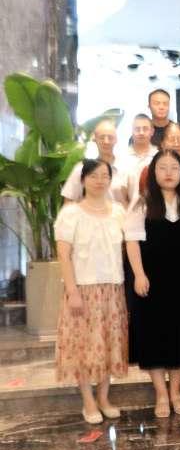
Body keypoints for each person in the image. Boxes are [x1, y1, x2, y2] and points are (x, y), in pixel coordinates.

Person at [125, 150, 180, 418]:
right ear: (153, 173)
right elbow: (131, 241)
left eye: (174, 168)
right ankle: (161, 394)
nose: (168, 173)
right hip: (151, 280)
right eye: (162, 168)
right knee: (153, 336)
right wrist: (139, 274)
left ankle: (176, 391)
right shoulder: (143, 203)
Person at [54, 159, 128, 424]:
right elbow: (64, 255)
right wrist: (72, 291)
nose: (99, 181)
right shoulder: (71, 213)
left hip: (113, 289)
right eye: (94, 176)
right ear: (83, 180)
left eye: (104, 176)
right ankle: (88, 401)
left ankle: (104, 398)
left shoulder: (119, 211)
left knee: (108, 344)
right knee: (83, 346)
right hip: (83, 290)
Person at [62, 119, 128, 205]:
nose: (106, 141)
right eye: (102, 137)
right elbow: (68, 201)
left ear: (116, 139)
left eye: (110, 137)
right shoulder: (81, 168)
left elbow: (132, 203)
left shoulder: (126, 168)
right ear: (94, 139)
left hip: (118, 213)